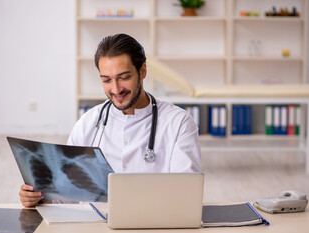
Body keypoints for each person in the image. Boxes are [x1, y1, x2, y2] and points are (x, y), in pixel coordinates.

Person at [19, 33, 201, 207]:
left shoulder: (179, 124)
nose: (116, 89)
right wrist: (40, 198)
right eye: (106, 80)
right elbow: (67, 195)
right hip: (97, 228)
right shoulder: (88, 123)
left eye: (124, 77)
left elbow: (186, 194)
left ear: (143, 71)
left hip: (153, 225)